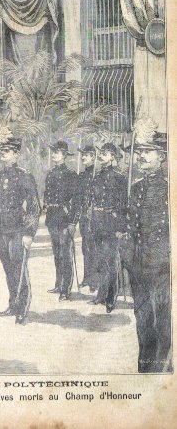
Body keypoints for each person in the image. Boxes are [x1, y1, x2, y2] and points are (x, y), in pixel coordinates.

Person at [123, 132, 171, 372]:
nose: (141, 156)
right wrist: (127, 256)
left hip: (162, 265)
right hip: (138, 265)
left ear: (161, 156)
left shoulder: (168, 189)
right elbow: (131, 227)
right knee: (142, 320)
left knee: (163, 319)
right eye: (139, 152)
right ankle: (145, 367)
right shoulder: (137, 187)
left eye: (147, 151)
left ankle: (163, 369)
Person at [0, 139, 41, 325]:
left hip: (18, 228)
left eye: (8, 151)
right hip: (0, 227)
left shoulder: (24, 176)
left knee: (19, 267)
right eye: (2, 150)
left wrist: (29, 233)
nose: (4, 153)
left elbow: (34, 207)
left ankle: (22, 308)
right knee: (7, 268)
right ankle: (12, 303)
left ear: (16, 154)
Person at [88, 142, 127, 313]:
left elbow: (123, 205)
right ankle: (101, 294)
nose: (101, 155)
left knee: (111, 261)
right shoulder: (96, 177)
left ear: (112, 156)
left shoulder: (120, 178)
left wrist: (120, 227)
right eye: (101, 152)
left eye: (105, 153)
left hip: (111, 223)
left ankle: (111, 297)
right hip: (97, 222)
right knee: (99, 260)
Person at [43, 141, 78, 301]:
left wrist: (72, 221)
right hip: (52, 216)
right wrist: (45, 206)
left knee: (65, 254)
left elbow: (76, 200)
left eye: (57, 152)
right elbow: (47, 194)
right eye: (53, 152)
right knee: (57, 253)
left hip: (64, 217)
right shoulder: (50, 173)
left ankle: (65, 289)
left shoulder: (70, 174)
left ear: (64, 155)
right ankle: (58, 284)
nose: (54, 155)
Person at [75, 145, 98, 291]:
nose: (83, 157)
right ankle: (87, 278)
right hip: (84, 217)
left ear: (94, 157)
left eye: (87, 155)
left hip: (95, 217)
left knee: (94, 248)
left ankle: (95, 281)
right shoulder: (82, 176)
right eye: (83, 154)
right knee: (85, 247)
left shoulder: (98, 174)